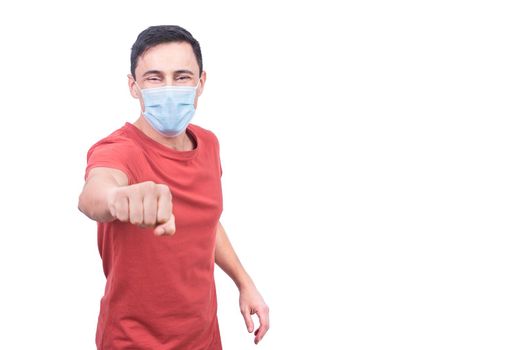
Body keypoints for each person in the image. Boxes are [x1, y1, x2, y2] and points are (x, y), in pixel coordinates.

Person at [77, 25, 269, 349]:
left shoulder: (208, 143)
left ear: (201, 83)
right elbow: (93, 194)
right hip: (133, 342)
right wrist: (116, 198)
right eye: (154, 78)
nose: (169, 88)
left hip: (204, 337)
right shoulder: (118, 150)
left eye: (181, 77)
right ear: (133, 86)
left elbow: (207, 220)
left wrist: (244, 282)